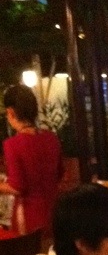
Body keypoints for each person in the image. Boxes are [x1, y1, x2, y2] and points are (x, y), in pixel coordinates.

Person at [0, 84, 63, 237]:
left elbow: (17, 187)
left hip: (29, 218)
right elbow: (60, 173)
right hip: (55, 212)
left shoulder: (12, 145)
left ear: (11, 112)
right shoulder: (51, 138)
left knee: (29, 251)